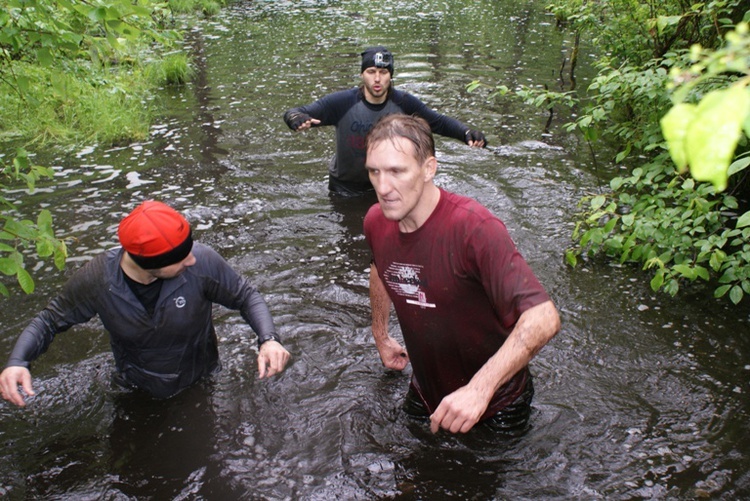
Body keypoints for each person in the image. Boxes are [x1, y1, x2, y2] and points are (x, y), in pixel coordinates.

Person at [363, 114, 561, 435]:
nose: (383, 187)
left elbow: (544, 318)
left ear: (429, 169)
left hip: (495, 404)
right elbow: (379, 267)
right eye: (375, 171)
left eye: (397, 171)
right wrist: (380, 334)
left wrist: (478, 390)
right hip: (426, 393)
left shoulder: (475, 229)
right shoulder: (376, 220)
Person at [0, 200, 291, 406]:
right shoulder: (98, 280)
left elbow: (247, 296)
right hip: (134, 389)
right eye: (180, 258)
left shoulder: (202, 263)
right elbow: (49, 320)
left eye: (189, 251)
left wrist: (268, 340)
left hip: (200, 382)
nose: (191, 259)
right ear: (148, 264)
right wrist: (17, 362)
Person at [283, 46, 487, 197]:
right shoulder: (342, 103)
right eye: (371, 72)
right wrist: (296, 119)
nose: (377, 79)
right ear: (363, 74)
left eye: (383, 72)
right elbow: (296, 112)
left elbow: (439, 122)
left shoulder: (404, 103)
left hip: (387, 186)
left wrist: (465, 133)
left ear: (391, 75)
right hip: (345, 188)